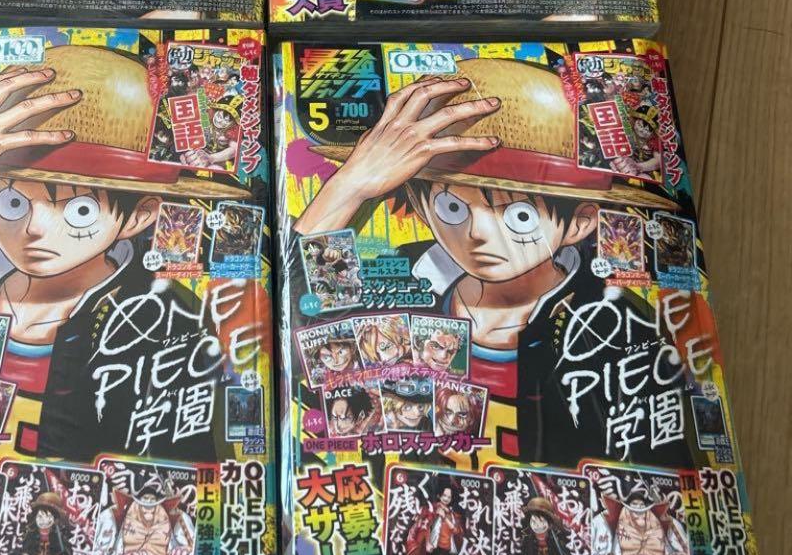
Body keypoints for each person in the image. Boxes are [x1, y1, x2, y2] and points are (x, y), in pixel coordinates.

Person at [0, 44, 252, 463]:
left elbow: (183, 467)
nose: (35, 229)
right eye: (12, 202)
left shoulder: (166, 320)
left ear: (138, 216)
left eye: (80, 210)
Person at [294, 56, 690, 467]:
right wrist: (350, 187)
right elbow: (299, 324)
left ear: (579, 223)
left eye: (520, 215)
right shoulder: (402, 278)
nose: (478, 234)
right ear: (421, 205)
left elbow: (655, 468)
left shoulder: (616, 325)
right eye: (451, 207)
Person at [404, 486, 465, 555]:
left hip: (447, 548)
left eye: (449, 497)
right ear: (439, 495)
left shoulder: (451, 514)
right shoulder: (432, 509)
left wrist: (444, 517)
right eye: (444, 495)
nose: (446, 499)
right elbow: (424, 526)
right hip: (433, 546)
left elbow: (456, 531)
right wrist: (427, 542)